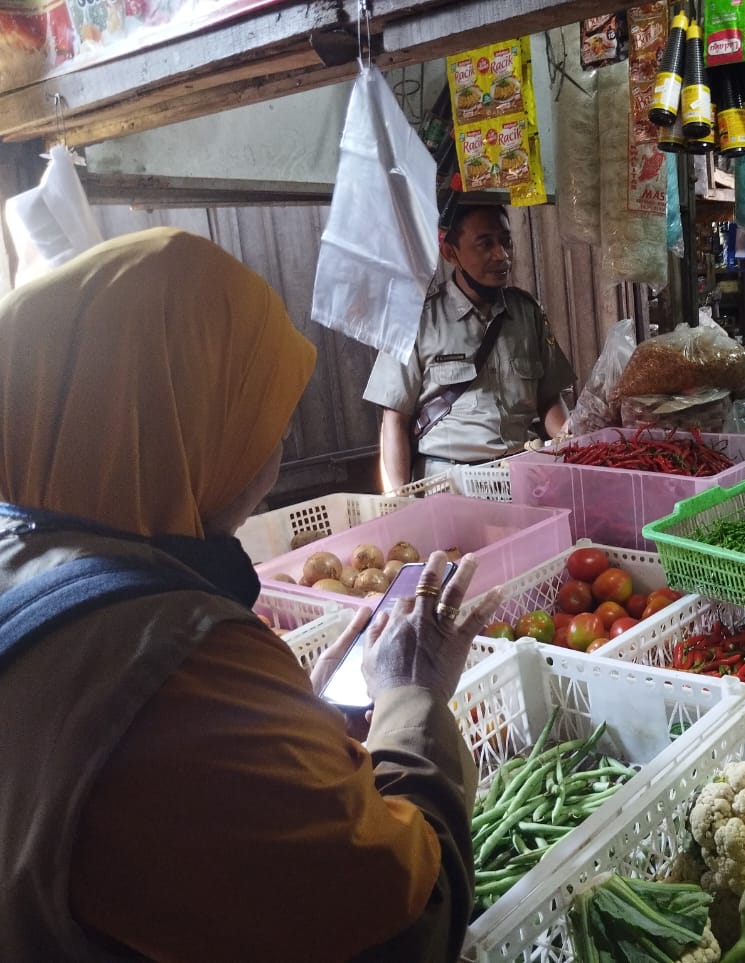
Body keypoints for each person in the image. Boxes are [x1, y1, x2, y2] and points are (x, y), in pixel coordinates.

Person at [0, 227, 500, 961]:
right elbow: (403, 921)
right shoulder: (181, 668)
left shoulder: (27, 555)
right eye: (260, 407)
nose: (274, 440)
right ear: (183, 421)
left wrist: (282, 718)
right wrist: (413, 696)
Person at [363, 203, 575, 491]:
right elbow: (394, 420)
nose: (501, 255)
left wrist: (571, 445)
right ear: (451, 253)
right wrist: (397, 500)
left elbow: (549, 398)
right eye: (485, 244)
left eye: (505, 241)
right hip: (451, 485)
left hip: (523, 476)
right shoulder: (416, 320)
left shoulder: (527, 313)